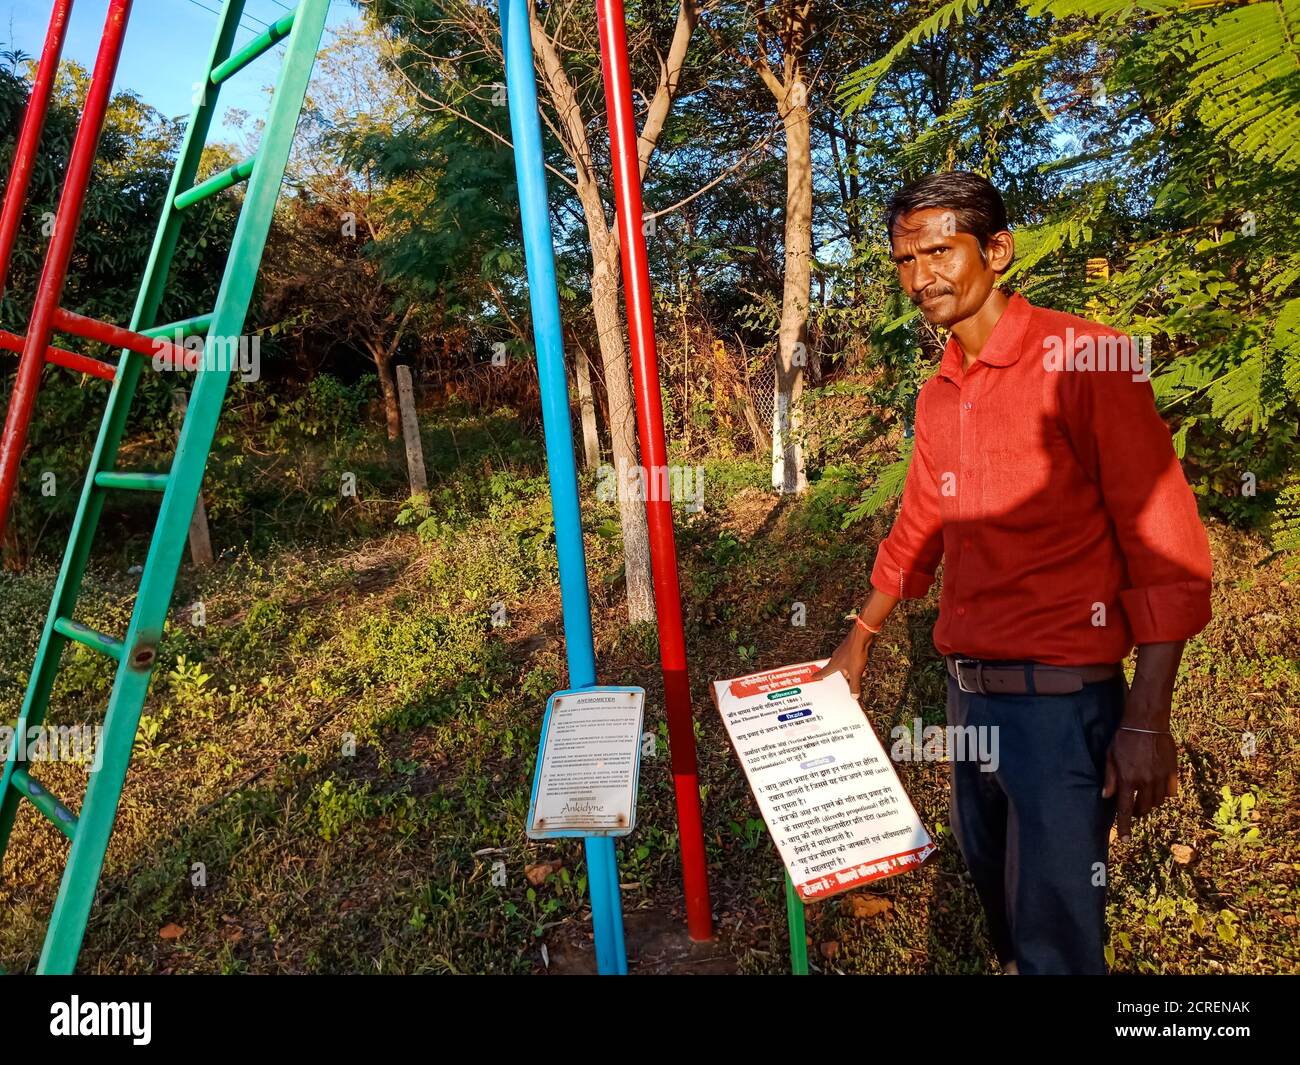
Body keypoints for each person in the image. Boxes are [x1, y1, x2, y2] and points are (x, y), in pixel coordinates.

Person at [815, 171, 1213, 975]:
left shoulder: (1085, 360)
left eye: (938, 251)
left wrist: (1145, 718)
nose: (920, 276)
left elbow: (1164, 544)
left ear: (996, 250)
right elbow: (920, 524)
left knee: (1058, 943)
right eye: (903, 259)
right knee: (1003, 913)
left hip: (1061, 714)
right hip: (969, 701)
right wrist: (860, 637)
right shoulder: (940, 395)